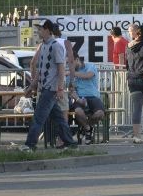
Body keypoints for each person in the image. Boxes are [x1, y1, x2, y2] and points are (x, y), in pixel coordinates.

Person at [22, 19, 78, 151]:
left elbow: (61, 69)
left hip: (50, 89)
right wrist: (32, 86)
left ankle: (30, 145)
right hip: (46, 88)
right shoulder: (43, 46)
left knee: (38, 118)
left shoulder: (55, 46)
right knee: (59, 118)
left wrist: (60, 88)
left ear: (47, 30)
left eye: (40, 29)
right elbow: (41, 71)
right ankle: (70, 143)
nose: (38, 31)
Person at [69, 53, 105, 144]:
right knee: (78, 111)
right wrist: (77, 99)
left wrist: (73, 73)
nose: (69, 65)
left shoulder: (90, 66)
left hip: (93, 96)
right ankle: (88, 129)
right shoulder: (71, 73)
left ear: (77, 60)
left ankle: (85, 127)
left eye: (71, 63)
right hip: (80, 97)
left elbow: (88, 75)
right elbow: (71, 89)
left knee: (100, 114)